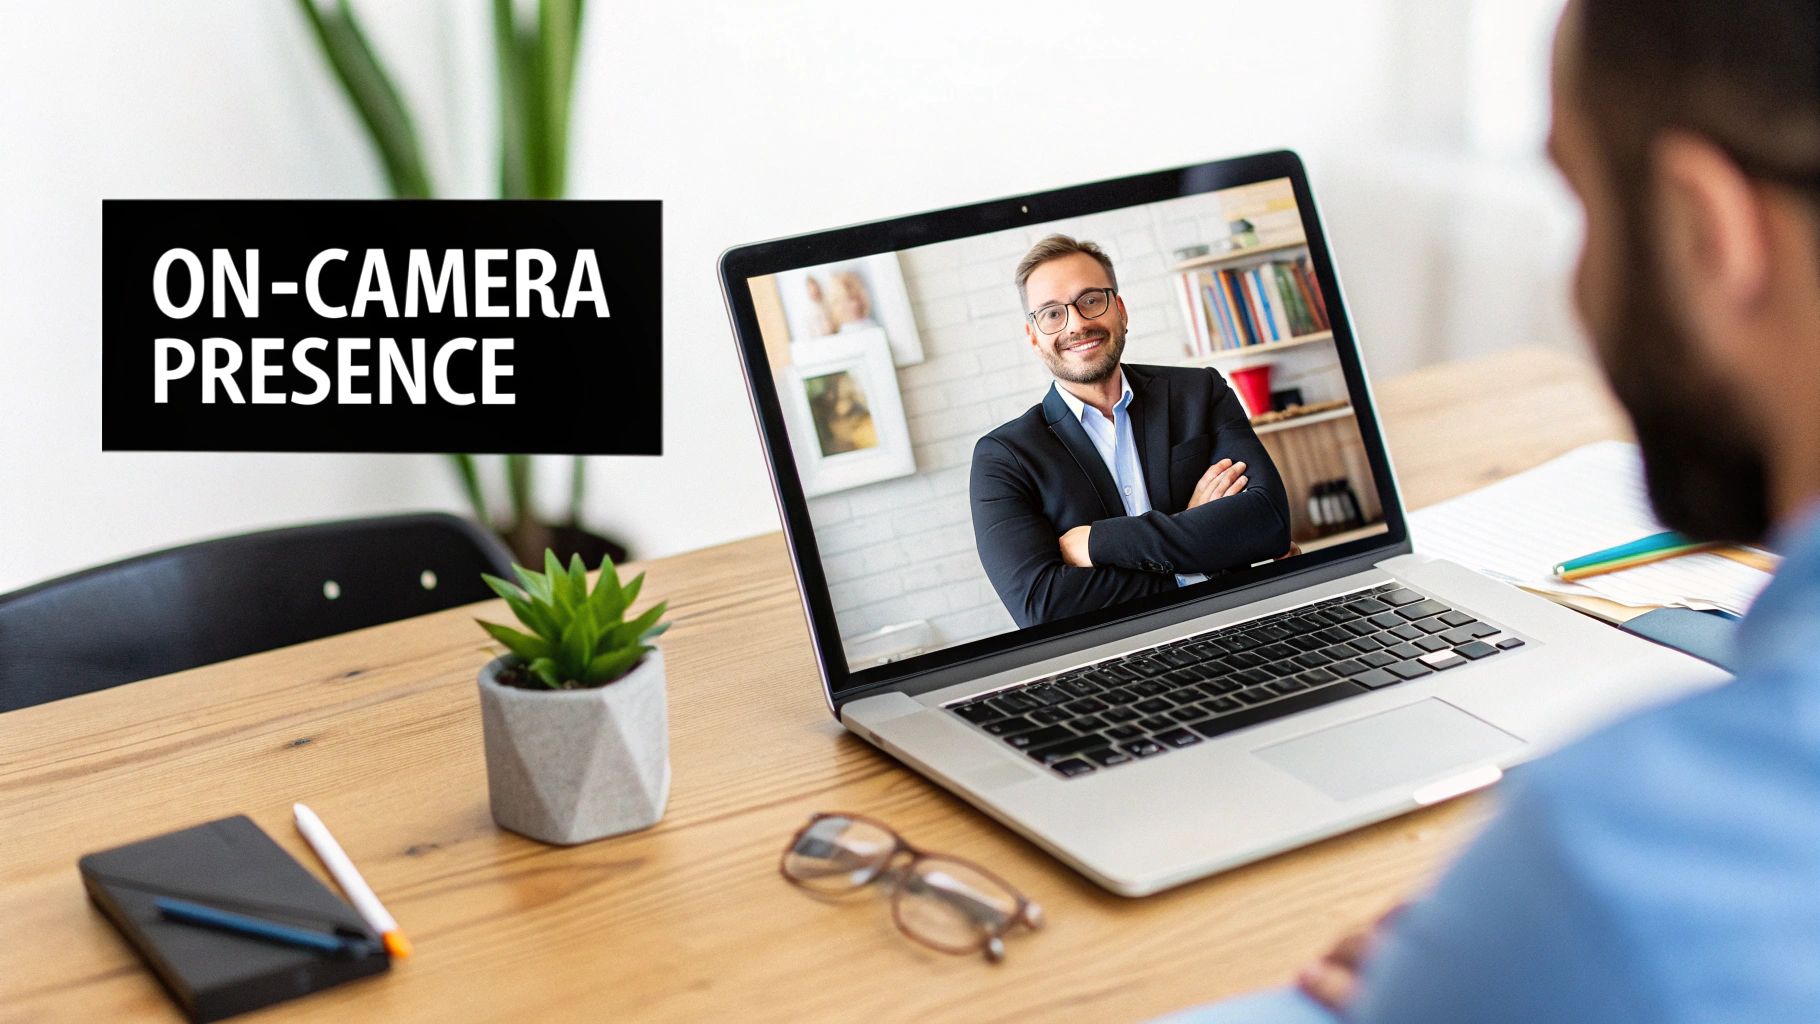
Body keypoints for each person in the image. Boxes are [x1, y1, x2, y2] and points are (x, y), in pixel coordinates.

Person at [1162, 1, 1820, 1021]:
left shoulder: (1633, 857)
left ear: (1703, 229)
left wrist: (1476, 962)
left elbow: (1253, 526)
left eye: (1585, 203)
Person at [969, 235, 1291, 628]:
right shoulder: (1004, 457)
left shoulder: (1199, 392)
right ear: (1034, 336)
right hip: (1115, 667)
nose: (1077, 323)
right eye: (1052, 313)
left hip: (1243, 628)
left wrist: (1096, 543)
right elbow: (1042, 607)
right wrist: (1200, 543)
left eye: (1091, 300)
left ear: (1120, 310)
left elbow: (1268, 523)